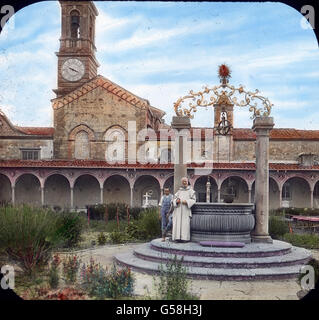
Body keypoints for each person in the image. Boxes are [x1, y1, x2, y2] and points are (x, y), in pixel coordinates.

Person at [172, 177, 196, 242]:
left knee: (185, 224)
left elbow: (194, 200)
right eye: (183, 182)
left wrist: (187, 202)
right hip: (178, 210)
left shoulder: (191, 191)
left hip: (186, 210)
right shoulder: (179, 191)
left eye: (185, 181)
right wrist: (176, 201)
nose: (184, 183)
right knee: (178, 223)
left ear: (187, 182)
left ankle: (185, 239)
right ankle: (177, 238)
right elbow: (173, 199)